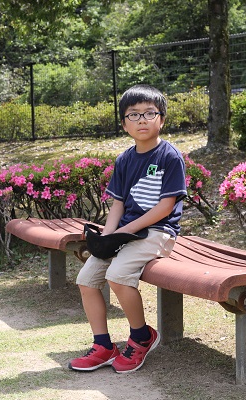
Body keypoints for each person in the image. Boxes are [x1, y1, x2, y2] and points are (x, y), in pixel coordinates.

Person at [68, 84, 187, 374]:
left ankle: (141, 337)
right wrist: (109, 236)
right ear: (124, 124)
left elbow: (165, 208)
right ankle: (103, 345)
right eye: (133, 115)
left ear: (162, 119)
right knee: (86, 279)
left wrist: (124, 232)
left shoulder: (169, 157)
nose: (142, 120)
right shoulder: (124, 159)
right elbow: (118, 205)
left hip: (158, 232)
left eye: (149, 113)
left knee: (118, 276)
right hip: (125, 233)